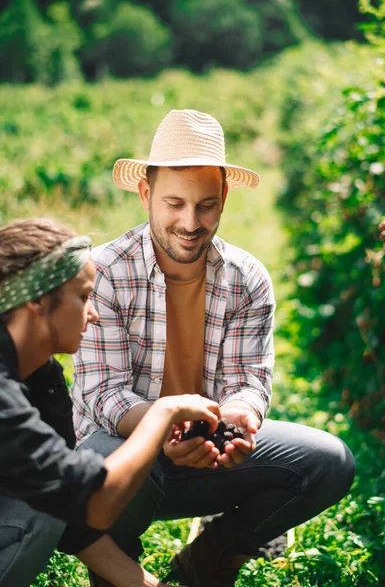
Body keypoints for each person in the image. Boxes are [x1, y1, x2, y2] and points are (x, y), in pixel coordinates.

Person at [72, 109, 356, 587]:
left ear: (224, 196)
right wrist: (166, 425)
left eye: (206, 205)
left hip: (209, 453)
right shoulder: (105, 272)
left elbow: (249, 381)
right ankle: (116, 568)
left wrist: (241, 417)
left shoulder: (247, 278)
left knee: (330, 463)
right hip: (126, 454)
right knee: (104, 462)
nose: (190, 222)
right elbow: (104, 395)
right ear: (146, 194)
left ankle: (213, 556)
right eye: (174, 203)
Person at [0, 217, 221, 587]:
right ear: (38, 299)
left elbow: (73, 517)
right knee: (36, 512)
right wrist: (162, 413)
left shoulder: (42, 377)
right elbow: (89, 504)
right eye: (83, 297)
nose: (94, 313)